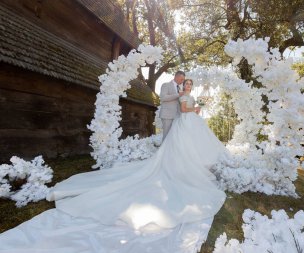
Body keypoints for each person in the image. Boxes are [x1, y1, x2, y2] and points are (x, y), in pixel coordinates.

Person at [0, 79, 228, 252]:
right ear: (183, 86)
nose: (187, 86)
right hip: (184, 122)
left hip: (190, 123)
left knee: (191, 147)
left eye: (189, 84)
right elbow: (184, 109)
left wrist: (198, 108)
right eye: (186, 84)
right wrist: (193, 109)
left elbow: (190, 109)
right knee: (177, 149)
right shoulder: (180, 96)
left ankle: (191, 164)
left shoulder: (191, 96)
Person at [159, 70, 185, 141]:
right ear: (176, 76)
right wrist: (178, 95)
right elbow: (163, 97)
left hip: (177, 116)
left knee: (173, 136)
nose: (182, 81)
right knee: (166, 135)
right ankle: (163, 152)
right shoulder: (166, 85)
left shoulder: (180, 89)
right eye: (181, 79)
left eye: (183, 80)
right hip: (167, 115)